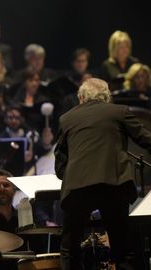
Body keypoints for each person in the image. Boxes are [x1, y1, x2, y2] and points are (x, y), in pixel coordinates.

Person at [54, 78, 151, 269]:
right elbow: (145, 139)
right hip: (113, 184)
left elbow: (60, 164)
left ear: (81, 97)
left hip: (77, 187)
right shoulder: (119, 112)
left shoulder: (66, 119)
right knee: (123, 247)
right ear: (107, 97)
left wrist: (71, 175)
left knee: (69, 248)